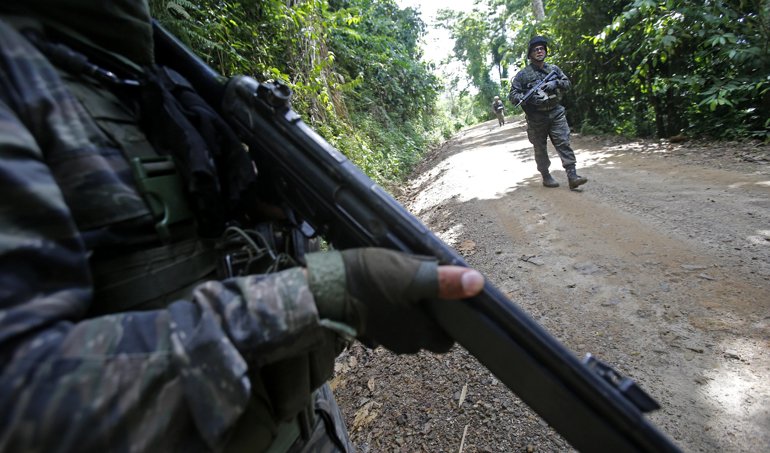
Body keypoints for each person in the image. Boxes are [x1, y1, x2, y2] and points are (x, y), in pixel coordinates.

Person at [0, 1, 485, 452]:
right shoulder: (19, 75)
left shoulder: (143, 69)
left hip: (310, 423)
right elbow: (21, 399)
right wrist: (322, 296)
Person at [509, 36, 588, 189]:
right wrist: (530, 99)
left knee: (563, 142)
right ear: (530, 54)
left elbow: (567, 83)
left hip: (556, 112)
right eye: (535, 50)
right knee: (540, 148)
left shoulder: (554, 70)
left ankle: (572, 176)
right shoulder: (522, 75)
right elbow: (513, 95)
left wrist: (555, 83)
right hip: (536, 117)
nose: (539, 51)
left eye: (541, 49)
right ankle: (546, 176)